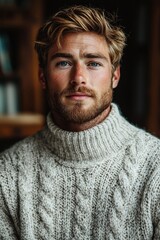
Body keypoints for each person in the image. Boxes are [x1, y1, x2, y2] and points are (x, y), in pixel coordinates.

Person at [0, 5, 160, 240]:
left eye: (93, 63)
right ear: (42, 77)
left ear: (115, 76)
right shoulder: (7, 174)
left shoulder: (156, 167)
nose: (78, 78)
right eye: (63, 63)